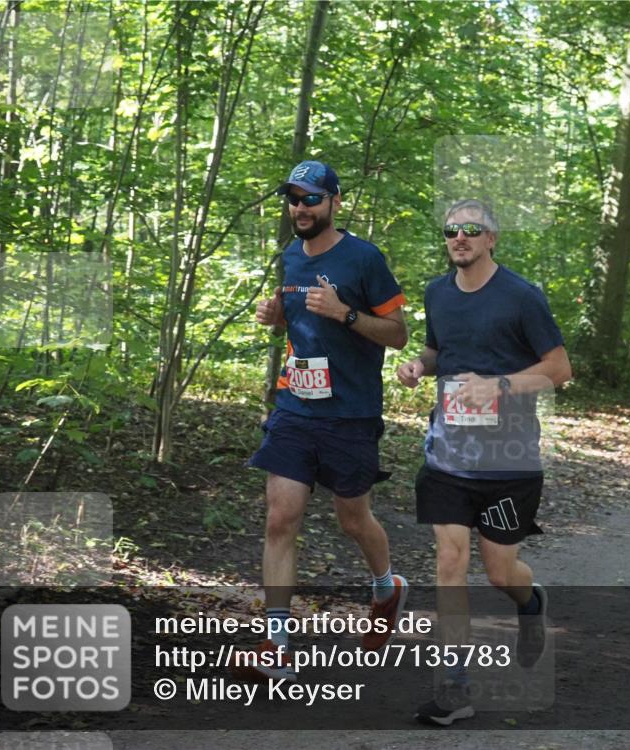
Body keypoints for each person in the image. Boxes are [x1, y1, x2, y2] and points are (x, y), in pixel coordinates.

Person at [396, 198, 572, 726]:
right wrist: (418, 366)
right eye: (451, 230)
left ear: (492, 238)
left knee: (499, 571)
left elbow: (560, 370)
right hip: (448, 453)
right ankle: (455, 685)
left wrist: (497, 386)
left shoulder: (521, 297)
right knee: (450, 560)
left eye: (471, 230)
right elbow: (437, 349)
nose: (459, 238)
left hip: (509, 460)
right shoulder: (436, 292)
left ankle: (530, 600)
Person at [233, 161, 410, 682]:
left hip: (351, 414)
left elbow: (397, 334)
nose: (300, 208)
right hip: (295, 408)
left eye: (311, 199)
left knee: (352, 519)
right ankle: (277, 641)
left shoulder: (363, 258)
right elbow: (299, 319)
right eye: (293, 198)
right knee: (279, 516)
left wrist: (346, 314)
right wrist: (278, 316)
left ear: (334, 202)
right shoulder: (290, 255)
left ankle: (387, 587)